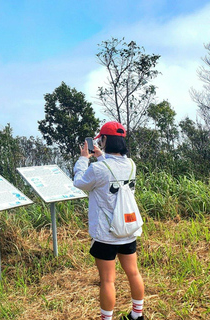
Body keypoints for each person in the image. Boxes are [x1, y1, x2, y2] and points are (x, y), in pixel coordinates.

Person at [73, 121, 145, 320]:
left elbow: (79, 182)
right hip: (128, 229)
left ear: (104, 140)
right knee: (133, 273)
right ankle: (137, 315)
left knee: (107, 281)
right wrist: (101, 157)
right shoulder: (131, 164)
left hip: (106, 234)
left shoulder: (98, 169)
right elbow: (115, 170)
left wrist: (83, 159)